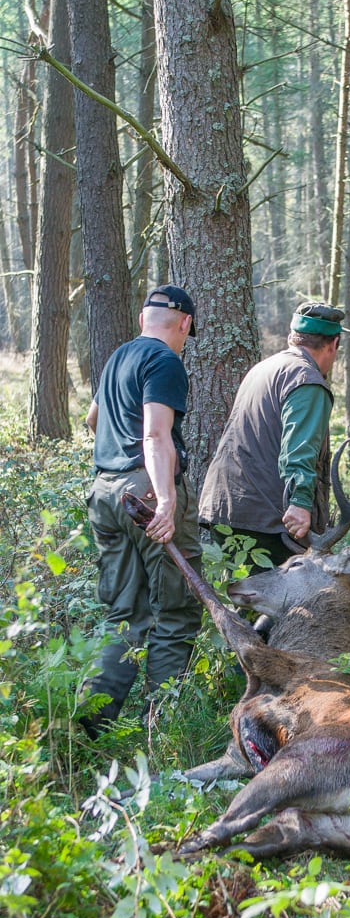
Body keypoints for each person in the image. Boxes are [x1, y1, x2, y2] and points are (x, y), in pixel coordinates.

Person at [79, 285, 203, 739]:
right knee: (175, 613)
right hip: (146, 489)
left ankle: (88, 730)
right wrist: (166, 500)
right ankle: (164, 733)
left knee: (123, 614)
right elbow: (155, 436)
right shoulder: (164, 361)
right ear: (185, 324)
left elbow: (93, 420)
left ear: (141, 319)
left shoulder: (118, 357)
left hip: (105, 491)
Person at [199, 301, 348, 567]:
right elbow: (299, 449)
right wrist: (301, 502)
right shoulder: (308, 381)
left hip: (228, 509)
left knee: (248, 603)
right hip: (269, 521)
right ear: (333, 344)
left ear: (293, 337)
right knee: (288, 606)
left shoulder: (264, 369)